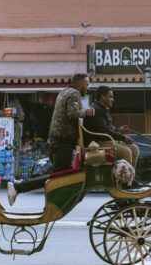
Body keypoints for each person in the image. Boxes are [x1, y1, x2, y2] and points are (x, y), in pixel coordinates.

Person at [7, 73, 95, 204]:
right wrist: (86, 112)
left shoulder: (63, 92)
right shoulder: (74, 94)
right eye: (86, 84)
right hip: (63, 142)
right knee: (56, 177)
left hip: (56, 141)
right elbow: (73, 114)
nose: (87, 88)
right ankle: (18, 187)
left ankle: (21, 185)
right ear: (80, 83)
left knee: (56, 174)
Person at [83, 85, 139, 170]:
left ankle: (131, 178)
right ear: (103, 96)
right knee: (126, 151)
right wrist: (123, 137)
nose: (113, 99)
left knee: (134, 148)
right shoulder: (96, 109)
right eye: (110, 97)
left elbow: (106, 127)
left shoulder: (102, 109)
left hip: (105, 141)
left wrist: (118, 130)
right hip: (96, 144)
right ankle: (124, 179)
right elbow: (104, 130)